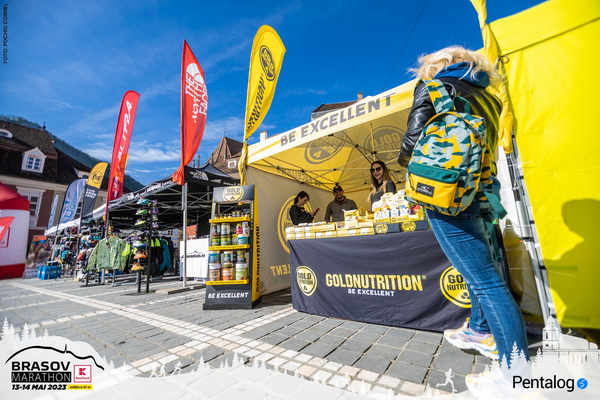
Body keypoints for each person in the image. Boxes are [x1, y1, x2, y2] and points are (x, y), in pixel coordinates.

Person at [398, 46, 529, 376]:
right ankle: (480, 330)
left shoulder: (433, 87)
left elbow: (411, 144)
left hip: (445, 191)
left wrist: (407, 162)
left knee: (486, 281)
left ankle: (518, 373)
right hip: (481, 190)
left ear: (438, 65)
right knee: (481, 270)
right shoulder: (490, 98)